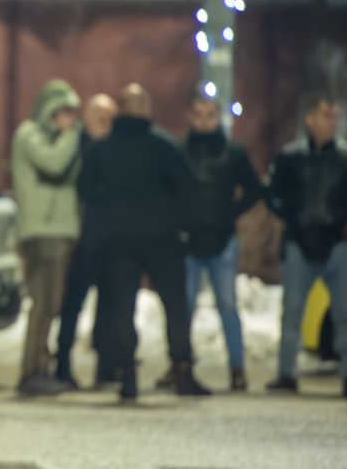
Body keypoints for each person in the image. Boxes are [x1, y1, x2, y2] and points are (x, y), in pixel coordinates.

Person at [78, 83, 211, 400]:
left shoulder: (102, 148)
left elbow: (85, 190)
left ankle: (127, 376)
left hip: (118, 241)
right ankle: (182, 370)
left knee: (121, 309)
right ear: (147, 110)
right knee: (175, 307)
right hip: (162, 238)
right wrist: (177, 221)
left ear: (120, 112)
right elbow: (188, 187)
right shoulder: (164, 145)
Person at [177, 94, 263, 391]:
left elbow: (254, 189)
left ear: (218, 117)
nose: (204, 120)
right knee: (184, 306)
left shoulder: (233, 153)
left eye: (210, 114)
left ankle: (237, 368)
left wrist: (231, 213)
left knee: (227, 305)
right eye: (199, 114)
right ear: (190, 116)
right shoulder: (179, 151)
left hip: (223, 239)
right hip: (188, 240)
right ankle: (181, 364)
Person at [265, 93, 347, 396]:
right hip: (299, 241)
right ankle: (286, 373)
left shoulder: (343, 158)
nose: (332, 122)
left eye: (335, 116)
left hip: (337, 243)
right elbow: (272, 193)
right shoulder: (291, 158)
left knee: (343, 313)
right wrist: (291, 215)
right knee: (293, 311)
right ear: (310, 119)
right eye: (326, 116)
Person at [10, 79, 82, 396]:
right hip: (42, 231)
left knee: (52, 304)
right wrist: (71, 135)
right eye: (63, 112)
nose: (70, 119)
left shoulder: (60, 141)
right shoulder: (29, 135)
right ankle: (30, 372)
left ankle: (41, 365)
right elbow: (53, 164)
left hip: (61, 231)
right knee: (43, 303)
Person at [54, 93, 118, 388]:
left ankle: (105, 368)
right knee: (73, 305)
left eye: (110, 120)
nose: (106, 125)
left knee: (108, 306)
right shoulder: (74, 146)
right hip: (80, 237)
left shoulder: (116, 148)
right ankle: (63, 366)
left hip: (108, 238)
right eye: (101, 119)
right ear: (88, 118)